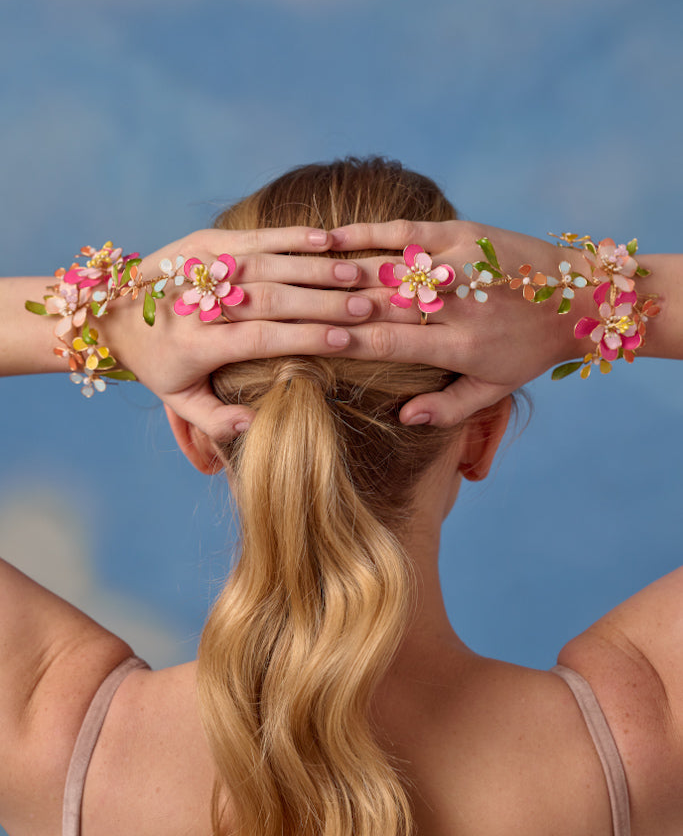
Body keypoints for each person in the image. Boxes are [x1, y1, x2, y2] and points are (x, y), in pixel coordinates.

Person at [1, 157, 681, 836]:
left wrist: (106, 314)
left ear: (196, 437)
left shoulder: (60, 741)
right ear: (483, 435)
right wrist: (581, 300)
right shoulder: (636, 737)